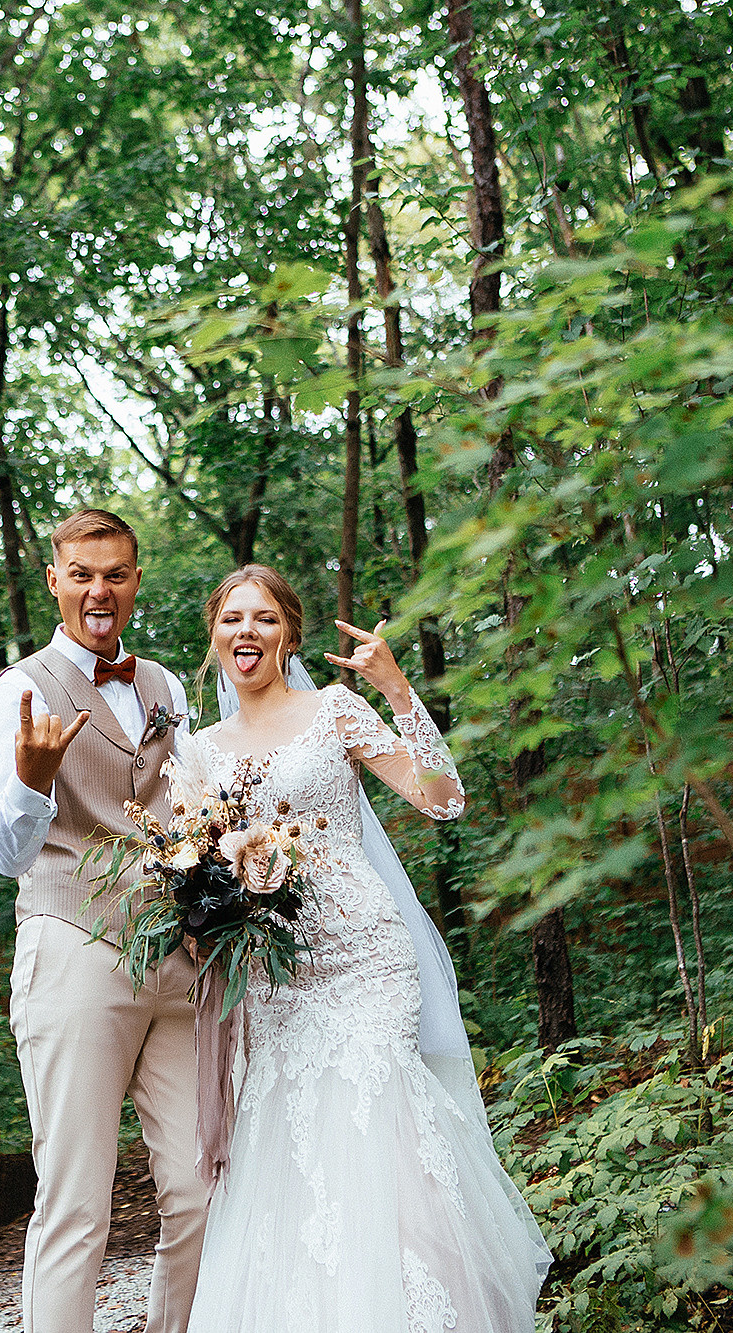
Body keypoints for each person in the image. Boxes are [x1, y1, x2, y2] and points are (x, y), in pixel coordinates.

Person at [177, 564, 550, 1333]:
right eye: (233, 619)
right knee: (298, 1158)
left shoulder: (334, 710)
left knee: (387, 1138)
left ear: (288, 634)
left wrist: (399, 689)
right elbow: (196, 872)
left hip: (365, 958)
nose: (247, 631)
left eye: (265, 618)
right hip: (276, 977)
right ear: (214, 636)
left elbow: (443, 800)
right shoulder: (199, 752)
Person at [0, 508, 204, 1333]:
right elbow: (5, 851)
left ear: (136, 579)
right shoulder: (21, 688)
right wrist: (33, 779)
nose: (98, 591)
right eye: (82, 573)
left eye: (115, 573)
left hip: (175, 961)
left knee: (200, 1187)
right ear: (55, 580)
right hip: (73, 949)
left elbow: (190, 810)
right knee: (77, 1204)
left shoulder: (167, 688)